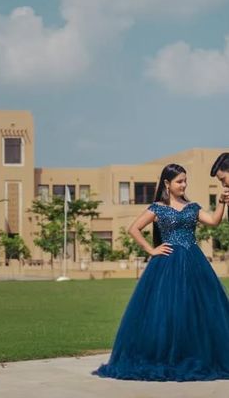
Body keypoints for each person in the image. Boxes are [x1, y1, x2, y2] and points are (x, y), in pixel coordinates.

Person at [92, 163, 229, 381]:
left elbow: (213, 221)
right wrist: (151, 249)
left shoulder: (192, 207)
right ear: (167, 183)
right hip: (166, 265)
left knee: (196, 312)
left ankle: (194, 355)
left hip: (194, 264)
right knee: (167, 312)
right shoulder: (157, 207)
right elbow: (133, 228)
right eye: (179, 181)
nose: (184, 184)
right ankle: (166, 357)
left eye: (185, 180)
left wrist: (222, 203)